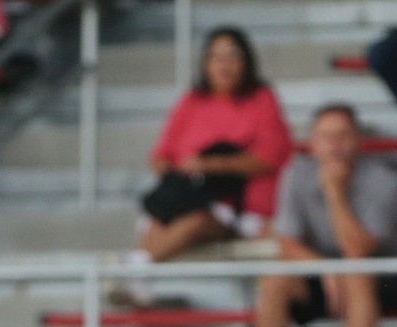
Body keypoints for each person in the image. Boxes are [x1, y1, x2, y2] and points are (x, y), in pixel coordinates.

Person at [113, 27, 292, 304]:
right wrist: (181, 176)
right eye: (215, 56)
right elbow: (161, 156)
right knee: (163, 213)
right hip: (191, 195)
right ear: (205, 63)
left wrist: (209, 165)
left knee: (196, 218)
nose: (223, 63)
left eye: (232, 55)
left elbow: (267, 158)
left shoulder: (261, 99)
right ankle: (140, 280)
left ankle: (136, 266)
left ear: (246, 61)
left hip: (238, 207)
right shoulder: (191, 102)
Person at [242, 103, 397, 327]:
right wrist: (325, 270)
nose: (334, 145)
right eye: (326, 136)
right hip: (328, 275)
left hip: (383, 279)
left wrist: (334, 192)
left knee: (355, 270)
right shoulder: (296, 173)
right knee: (276, 277)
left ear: (358, 141)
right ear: (312, 142)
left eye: (343, 135)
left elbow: (358, 248)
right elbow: (286, 242)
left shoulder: (384, 181)